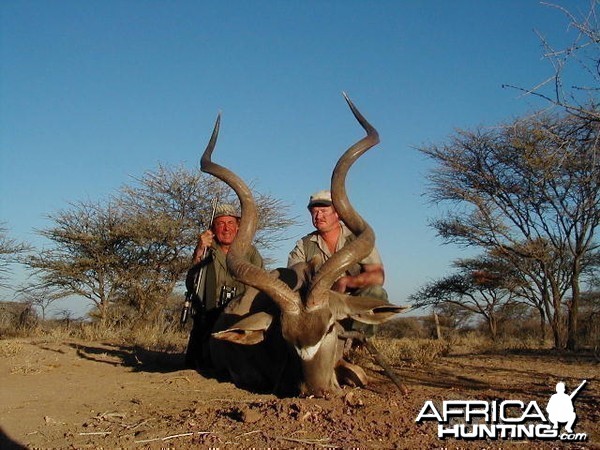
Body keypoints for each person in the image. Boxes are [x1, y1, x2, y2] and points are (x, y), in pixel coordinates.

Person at [287, 190, 388, 337]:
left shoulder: (357, 239)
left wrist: (346, 281)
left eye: (323, 211)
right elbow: (292, 278)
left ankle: (358, 341)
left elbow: (378, 277)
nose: (318, 216)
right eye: (314, 212)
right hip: (318, 307)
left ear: (338, 213)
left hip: (350, 305)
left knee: (376, 293)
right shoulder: (304, 244)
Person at [184, 203, 263, 370]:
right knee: (197, 365)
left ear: (238, 226)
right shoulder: (206, 251)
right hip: (210, 319)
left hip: (238, 319)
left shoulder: (250, 253)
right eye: (220, 224)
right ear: (213, 228)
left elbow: (260, 286)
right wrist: (199, 250)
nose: (226, 229)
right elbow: (191, 284)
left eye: (230, 223)